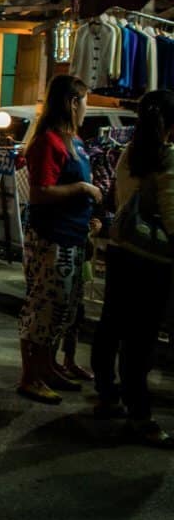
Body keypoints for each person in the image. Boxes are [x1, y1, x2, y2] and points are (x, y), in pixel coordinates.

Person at [91, 90, 174, 447]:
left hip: (122, 249)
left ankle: (108, 394)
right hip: (153, 259)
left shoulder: (129, 152)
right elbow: (171, 213)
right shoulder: (166, 156)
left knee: (112, 325)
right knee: (141, 339)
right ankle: (140, 416)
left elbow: (120, 198)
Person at [17, 75, 102, 404]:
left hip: (73, 236)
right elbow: (40, 193)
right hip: (51, 238)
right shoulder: (48, 141)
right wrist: (81, 189)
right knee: (44, 308)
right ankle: (30, 377)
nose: (87, 108)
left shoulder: (74, 141)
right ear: (72, 102)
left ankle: (48, 368)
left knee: (64, 310)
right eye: (85, 101)